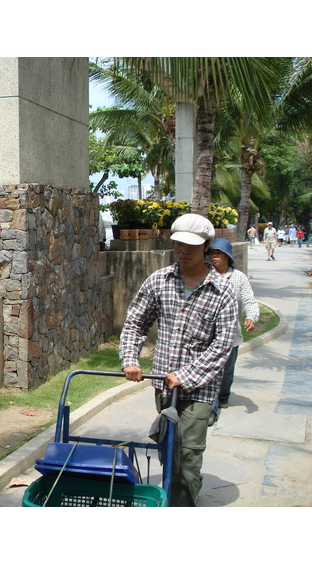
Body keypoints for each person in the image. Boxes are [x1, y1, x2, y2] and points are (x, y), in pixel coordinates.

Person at [119, 213, 238, 507]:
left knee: (188, 455)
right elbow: (136, 323)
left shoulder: (222, 291)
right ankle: (175, 495)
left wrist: (186, 376)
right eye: (179, 244)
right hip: (163, 386)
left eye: (192, 246)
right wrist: (130, 360)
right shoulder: (158, 281)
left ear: (207, 247)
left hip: (200, 391)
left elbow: (223, 345)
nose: (184, 251)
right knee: (168, 449)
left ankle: (180, 506)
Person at [207, 238, 259, 426]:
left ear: (227, 256)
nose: (214, 256)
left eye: (218, 253)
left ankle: (223, 396)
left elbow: (249, 300)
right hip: (207, 336)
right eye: (212, 253)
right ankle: (211, 409)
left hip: (231, 335)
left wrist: (251, 317)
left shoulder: (238, 278)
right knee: (214, 373)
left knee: (227, 372)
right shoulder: (205, 275)